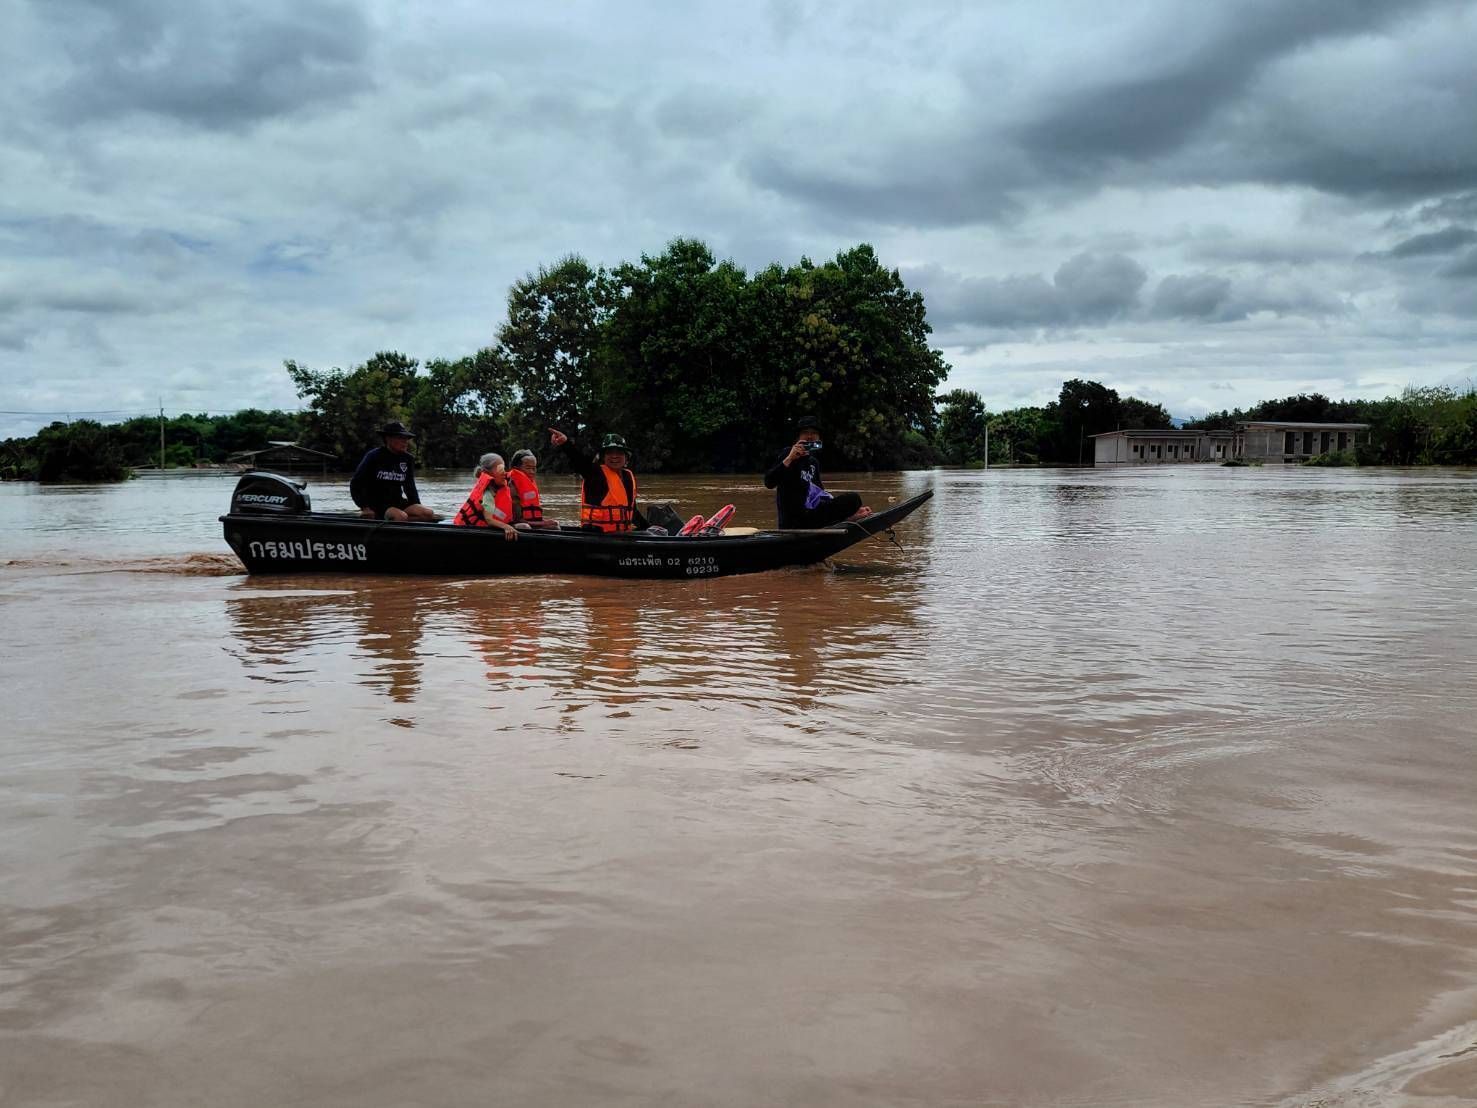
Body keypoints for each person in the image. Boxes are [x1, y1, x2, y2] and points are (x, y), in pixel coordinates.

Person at [763, 415, 872, 528]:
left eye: (814, 433)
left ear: (819, 438)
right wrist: (790, 458)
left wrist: (848, 513)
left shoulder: (813, 463)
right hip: (792, 521)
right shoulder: (787, 453)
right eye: (805, 432)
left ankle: (847, 519)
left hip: (811, 516)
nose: (810, 436)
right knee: (853, 499)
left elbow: (821, 495)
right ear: (798, 437)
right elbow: (769, 482)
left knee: (853, 500)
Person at [548, 428, 650, 533]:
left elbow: (632, 512)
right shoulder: (595, 474)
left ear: (626, 457)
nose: (614, 456)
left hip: (622, 536)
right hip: (596, 535)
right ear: (603, 457)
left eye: (619, 452)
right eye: (609, 453)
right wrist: (565, 443)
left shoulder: (628, 477)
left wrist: (649, 528)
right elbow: (579, 461)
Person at [350, 421, 439, 522]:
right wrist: (365, 508)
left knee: (428, 514)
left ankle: (398, 521)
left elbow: (410, 487)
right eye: (401, 438)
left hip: (398, 502)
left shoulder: (408, 459)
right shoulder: (374, 456)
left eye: (406, 439)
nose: (405, 442)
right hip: (376, 504)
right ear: (388, 439)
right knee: (400, 516)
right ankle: (392, 520)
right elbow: (355, 484)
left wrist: (416, 504)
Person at [452, 453, 519, 540]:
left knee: (524, 526)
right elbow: (489, 520)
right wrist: (506, 527)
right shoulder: (487, 494)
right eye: (500, 469)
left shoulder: (501, 490)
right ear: (488, 473)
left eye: (504, 468)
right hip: (476, 532)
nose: (504, 473)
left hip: (492, 528)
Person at [507, 449, 560, 530]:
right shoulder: (511, 485)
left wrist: (544, 522)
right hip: (515, 524)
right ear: (516, 468)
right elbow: (517, 519)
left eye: (534, 468)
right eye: (528, 468)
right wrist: (543, 523)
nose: (532, 472)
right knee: (525, 527)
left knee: (554, 525)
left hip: (528, 523)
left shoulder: (529, 483)